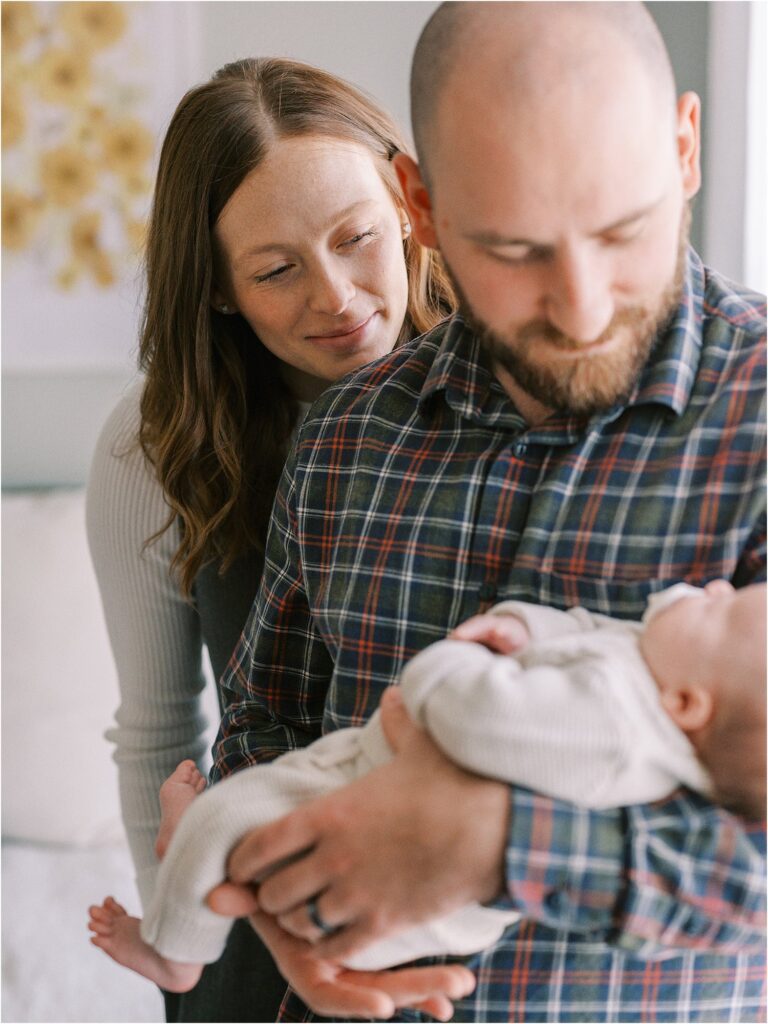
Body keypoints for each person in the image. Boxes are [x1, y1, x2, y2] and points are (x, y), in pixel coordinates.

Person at [200, 4, 766, 1022]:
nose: (583, 306)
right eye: (513, 250)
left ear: (685, 148)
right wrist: (271, 886)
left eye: (623, 231)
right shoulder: (343, 439)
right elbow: (266, 721)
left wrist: (502, 844)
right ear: (419, 203)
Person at [85, 55, 468, 1024]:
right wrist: (185, 942)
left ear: (411, 205)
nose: (336, 295)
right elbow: (160, 731)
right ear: (216, 289)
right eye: (276, 270)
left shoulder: (495, 389)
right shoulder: (156, 441)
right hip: (258, 925)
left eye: (358, 238)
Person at [87, 579, 766, 994]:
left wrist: (446, 665)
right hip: (359, 774)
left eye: (721, 611)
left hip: (389, 867)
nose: (711, 589)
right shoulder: (653, 673)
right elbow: (594, 635)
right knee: (253, 805)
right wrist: (528, 626)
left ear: (687, 706)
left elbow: (473, 715)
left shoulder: (614, 733)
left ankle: (175, 949)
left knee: (227, 821)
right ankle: (209, 851)